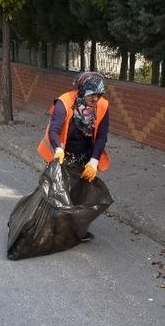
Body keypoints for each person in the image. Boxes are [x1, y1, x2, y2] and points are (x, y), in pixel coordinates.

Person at [37, 71, 111, 242]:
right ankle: (50, 227)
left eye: (99, 95)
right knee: (58, 191)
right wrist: (58, 149)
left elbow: (101, 136)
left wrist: (93, 162)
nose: (95, 99)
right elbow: (54, 130)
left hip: (85, 155)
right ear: (82, 90)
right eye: (92, 94)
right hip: (63, 152)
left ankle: (75, 231)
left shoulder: (102, 106)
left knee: (79, 193)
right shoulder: (65, 101)